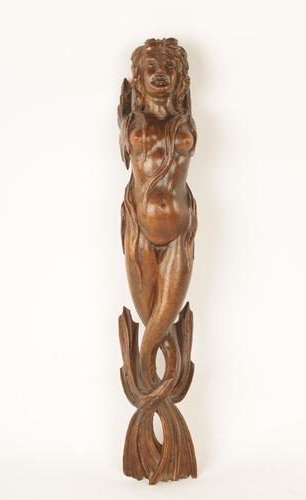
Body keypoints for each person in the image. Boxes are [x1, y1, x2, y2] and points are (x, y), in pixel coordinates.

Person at [118, 38, 198, 392]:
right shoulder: (131, 122)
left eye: (169, 67)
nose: (160, 73)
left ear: (181, 77)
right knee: (154, 326)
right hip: (140, 231)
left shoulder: (186, 120)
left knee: (162, 323)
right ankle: (153, 390)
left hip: (179, 231)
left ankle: (156, 390)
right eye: (151, 68)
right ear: (138, 77)